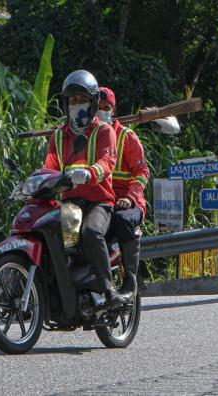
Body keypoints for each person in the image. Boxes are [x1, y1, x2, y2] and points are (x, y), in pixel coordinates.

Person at [43, 70, 127, 309]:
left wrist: (89, 173)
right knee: (56, 238)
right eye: (72, 101)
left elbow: (107, 162)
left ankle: (108, 289)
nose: (76, 106)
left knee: (90, 232)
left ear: (92, 104)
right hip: (70, 203)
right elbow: (49, 167)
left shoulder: (103, 131)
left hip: (99, 202)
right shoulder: (59, 136)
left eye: (81, 100)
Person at [97, 86, 149, 299]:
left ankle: (130, 278)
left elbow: (142, 172)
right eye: (97, 108)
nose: (102, 112)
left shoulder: (127, 137)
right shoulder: (88, 137)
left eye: (106, 108)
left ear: (113, 110)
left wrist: (130, 197)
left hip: (129, 201)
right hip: (101, 201)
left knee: (121, 221)